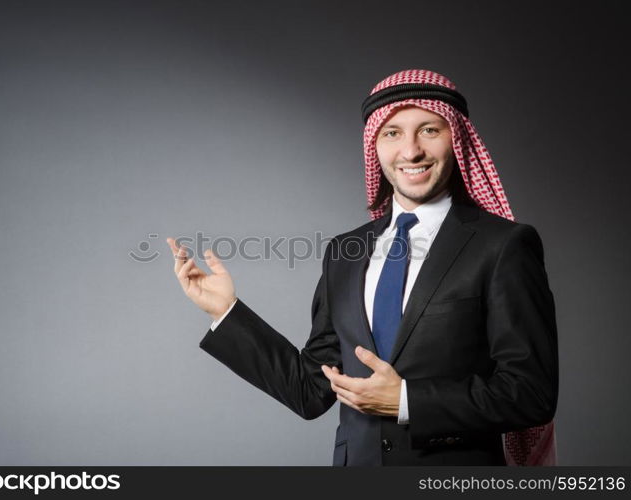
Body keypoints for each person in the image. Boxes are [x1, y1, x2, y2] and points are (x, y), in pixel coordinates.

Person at [166, 69, 558, 466]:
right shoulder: (345, 252)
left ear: (456, 140)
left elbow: (531, 393)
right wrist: (225, 312)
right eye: (392, 134)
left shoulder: (503, 245)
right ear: (374, 146)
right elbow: (310, 390)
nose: (410, 151)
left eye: (429, 131)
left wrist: (406, 401)